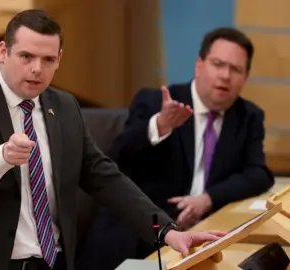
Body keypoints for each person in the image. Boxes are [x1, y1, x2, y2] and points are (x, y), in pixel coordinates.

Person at [0, 9, 225, 270]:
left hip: (50, 262)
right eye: (26, 56)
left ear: (59, 59)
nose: (37, 69)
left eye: (48, 60)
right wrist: (2, 156)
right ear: (3, 52)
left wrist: (167, 231)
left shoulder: (63, 106)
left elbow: (104, 177)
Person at [77, 27, 274, 269]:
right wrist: (160, 125)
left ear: (245, 77)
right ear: (199, 66)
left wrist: (207, 199)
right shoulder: (155, 101)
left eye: (235, 70)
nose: (225, 75)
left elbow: (259, 174)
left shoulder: (248, 116)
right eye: (218, 64)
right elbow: (118, 157)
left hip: (204, 233)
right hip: (142, 234)